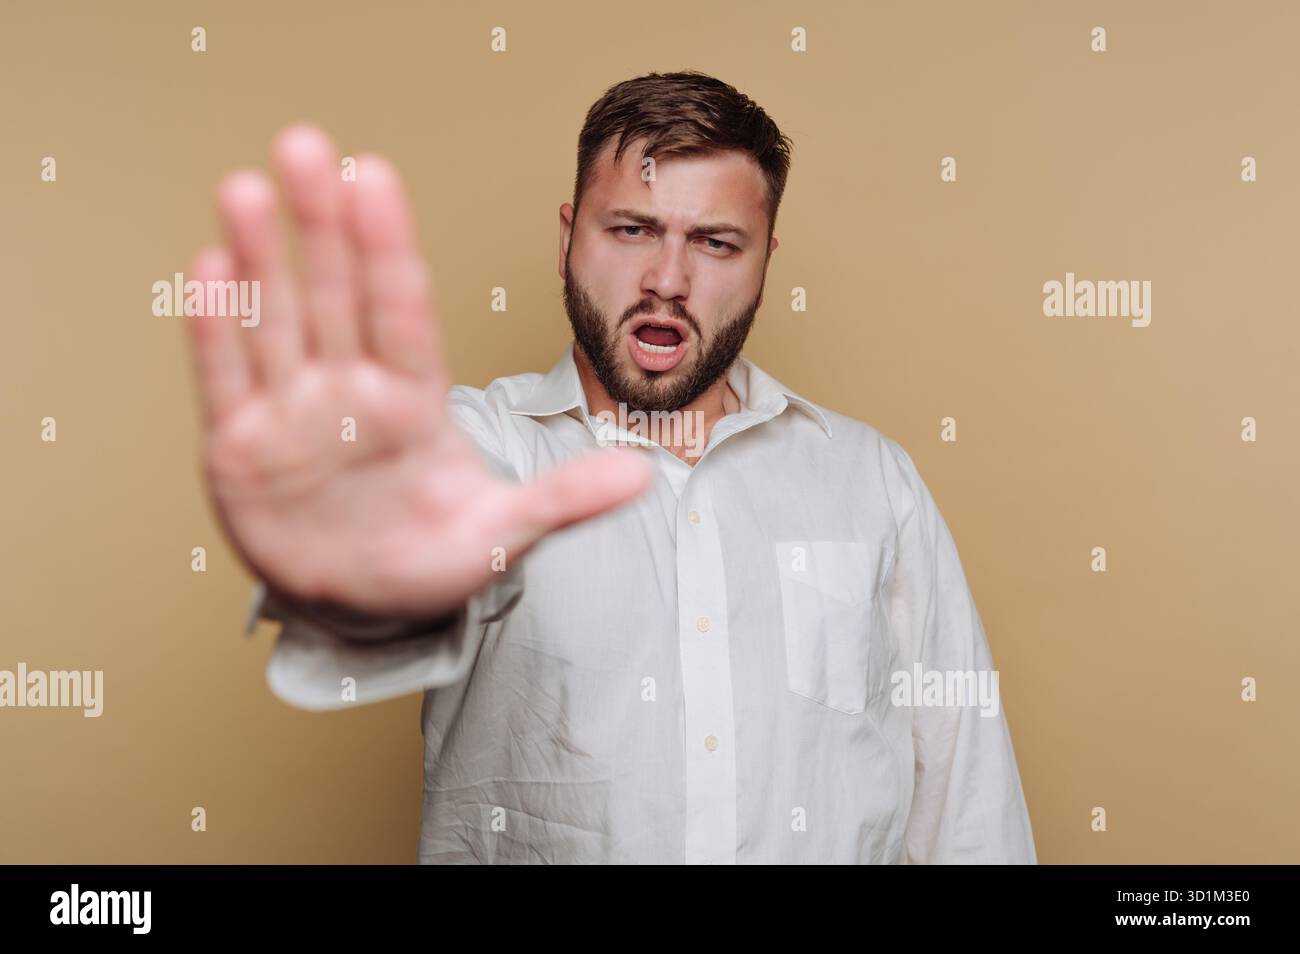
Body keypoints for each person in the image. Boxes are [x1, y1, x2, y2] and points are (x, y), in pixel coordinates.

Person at [183, 70, 1036, 864]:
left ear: (767, 266)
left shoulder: (871, 482)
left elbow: (968, 804)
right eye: (632, 229)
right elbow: (398, 556)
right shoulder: (482, 453)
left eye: (716, 243)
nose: (668, 279)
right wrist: (347, 523)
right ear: (567, 239)